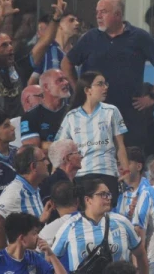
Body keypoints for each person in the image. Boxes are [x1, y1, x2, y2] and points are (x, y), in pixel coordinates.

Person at [62, 0, 154, 157]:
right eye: (97, 12)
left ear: (118, 15)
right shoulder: (90, 38)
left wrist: (153, 96)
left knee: (129, 163)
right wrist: (79, 91)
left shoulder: (138, 37)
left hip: (128, 117)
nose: (98, 16)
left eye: (103, 12)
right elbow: (66, 63)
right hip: (94, 116)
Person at [55, 70, 133, 207]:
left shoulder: (111, 111)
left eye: (105, 83)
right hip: (81, 175)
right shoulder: (71, 117)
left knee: (106, 215)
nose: (105, 87)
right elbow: (60, 148)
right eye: (100, 84)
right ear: (87, 90)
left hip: (107, 172)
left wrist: (126, 171)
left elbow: (120, 146)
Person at [0, 145, 48, 248]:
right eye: (44, 159)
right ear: (33, 166)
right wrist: (4, 257)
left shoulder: (34, 187)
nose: (48, 163)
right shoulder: (15, 193)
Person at [30, 0, 78, 79]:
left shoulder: (78, 52)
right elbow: (32, 82)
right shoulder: (47, 50)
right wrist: (57, 17)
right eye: (71, 20)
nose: (77, 23)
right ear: (59, 25)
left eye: (77, 20)